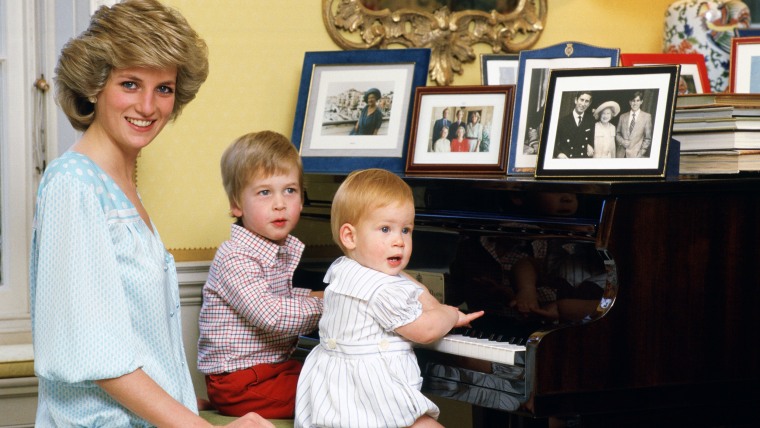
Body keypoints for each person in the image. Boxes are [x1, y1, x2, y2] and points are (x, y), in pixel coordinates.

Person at [29, 1, 272, 427]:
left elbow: (138, 342)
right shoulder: (73, 185)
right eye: (129, 83)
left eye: (164, 88)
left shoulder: (121, 185)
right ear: (94, 85)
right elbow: (96, 353)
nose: (148, 106)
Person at [294, 169, 483, 428]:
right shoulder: (381, 290)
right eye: (385, 229)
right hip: (371, 399)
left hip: (336, 398)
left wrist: (432, 304)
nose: (399, 241)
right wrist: (449, 314)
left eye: (406, 230)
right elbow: (426, 331)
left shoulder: (344, 268)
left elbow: (407, 283)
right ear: (350, 236)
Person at [198, 131, 324, 419]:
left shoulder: (274, 249)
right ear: (236, 204)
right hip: (239, 382)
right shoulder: (235, 257)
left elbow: (281, 297)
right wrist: (331, 303)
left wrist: (318, 295)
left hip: (269, 370)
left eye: (290, 190)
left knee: (337, 372)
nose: (280, 203)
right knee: (334, 392)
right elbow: (273, 314)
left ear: (302, 199)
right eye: (265, 192)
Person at [554, 90, 595, 159]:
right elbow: (552, 143)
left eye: (586, 101)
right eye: (581, 100)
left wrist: (590, 146)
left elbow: (592, 139)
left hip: (582, 160)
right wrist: (558, 153)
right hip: (567, 160)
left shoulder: (590, 120)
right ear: (576, 100)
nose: (583, 104)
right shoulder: (562, 121)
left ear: (589, 104)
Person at [616, 91, 653, 158]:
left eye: (637, 101)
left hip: (636, 155)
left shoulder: (647, 117)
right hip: (620, 155)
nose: (635, 103)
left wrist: (640, 153)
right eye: (633, 101)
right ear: (630, 102)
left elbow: (647, 139)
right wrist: (622, 141)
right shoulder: (622, 116)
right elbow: (617, 134)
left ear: (641, 102)